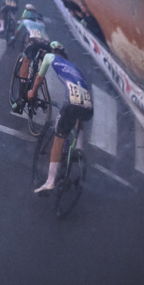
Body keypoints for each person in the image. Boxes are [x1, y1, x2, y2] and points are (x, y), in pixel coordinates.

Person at [29, 42, 94, 193]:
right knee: (79, 115)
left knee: (59, 137)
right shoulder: (76, 68)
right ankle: (79, 148)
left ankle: (50, 182)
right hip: (88, 104)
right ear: (65, 55)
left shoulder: (50, 57)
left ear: (52, 51)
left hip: (71, 102)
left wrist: (33, 93)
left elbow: (39, 79)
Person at [10, 6, 51, 115]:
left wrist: (13, 39)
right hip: (47, 45)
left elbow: (17, 32)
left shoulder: (25, 21)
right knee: (39, 71)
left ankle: (21, 99)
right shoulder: (41, 24)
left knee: (26, 61)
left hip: (35, 43)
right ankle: (36, 92)